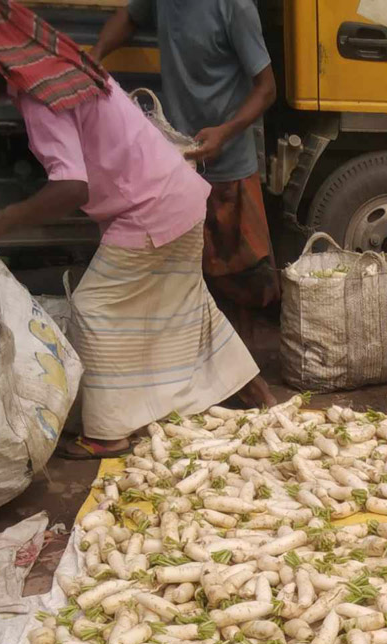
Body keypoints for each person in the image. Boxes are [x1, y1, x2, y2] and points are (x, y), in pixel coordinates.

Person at [0, 0, 260, 458]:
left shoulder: (38, 97)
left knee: (93, 307)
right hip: (178, 195)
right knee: (189, 303)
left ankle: (107, 434)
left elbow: (71, 187)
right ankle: (259, 397)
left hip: (151, 210)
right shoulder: (70, 70)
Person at [93, 0, 279, 408]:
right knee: (189, 274)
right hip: (177, 160)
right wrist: (94, 54)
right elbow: (129, 18)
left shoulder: (235, 7)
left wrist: (226, 133)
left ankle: (243, 382)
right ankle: (204, 380)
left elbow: (266, 89)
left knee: (239, 277)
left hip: (228, 165)